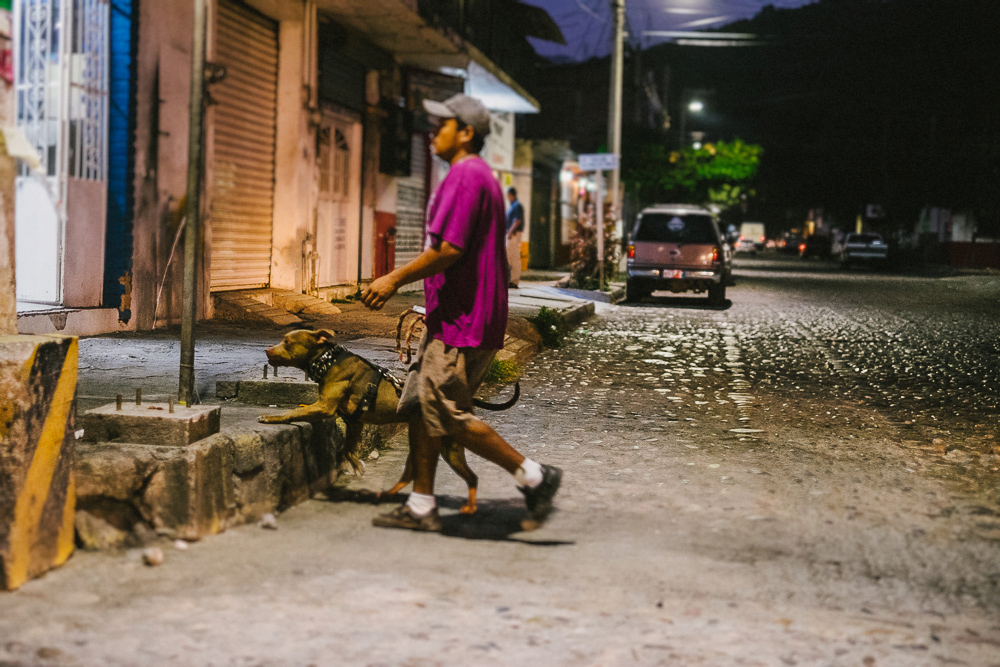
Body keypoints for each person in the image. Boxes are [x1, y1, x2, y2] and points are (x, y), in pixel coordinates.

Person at [360, 93, 561, 532]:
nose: (433, 133)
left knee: (444, 410)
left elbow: (450, 249)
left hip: (463, 320)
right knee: (420, 406)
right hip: (458, 314)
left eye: (443, 125)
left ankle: (533, 475)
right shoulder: (472, 175)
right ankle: (421, 505)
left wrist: (392, 279)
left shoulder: (467, 175)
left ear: (466, 132)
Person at [505, 187, 524, 288]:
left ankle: (514, 281)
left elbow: (517, 220)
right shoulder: (512, 205)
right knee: (509, 257)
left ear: (511, 195)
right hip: (510, 234)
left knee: (514, 257)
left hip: (514, 234)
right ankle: (510, 280)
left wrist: (510, 232)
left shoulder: (516, 206)